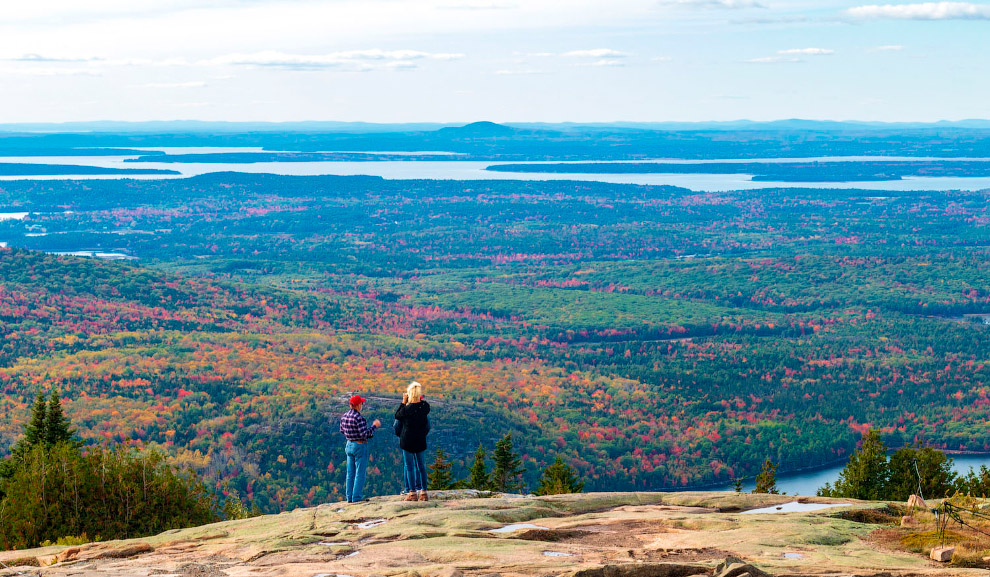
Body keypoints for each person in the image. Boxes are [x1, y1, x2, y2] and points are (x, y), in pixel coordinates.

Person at [339, 394, 381, 503]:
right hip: (359, 446)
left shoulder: (344, 416)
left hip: (349, 445)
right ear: (358, 405)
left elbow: (342, 431)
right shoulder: (359, 418)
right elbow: (364, 434)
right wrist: (374, 426)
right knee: (360, 473)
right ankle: (356, 498)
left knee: (350, 473)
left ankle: (349, 498)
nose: (362, 405)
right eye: (361, 403)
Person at [395, 381, 431, 501]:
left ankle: (412, 493)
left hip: (407, 441)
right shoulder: (425, 407)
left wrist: (403, 402)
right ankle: (424, 492)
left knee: (409, 467)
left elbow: (397, 416)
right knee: (421, 466)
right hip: (420, 440)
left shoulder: (406, 409)